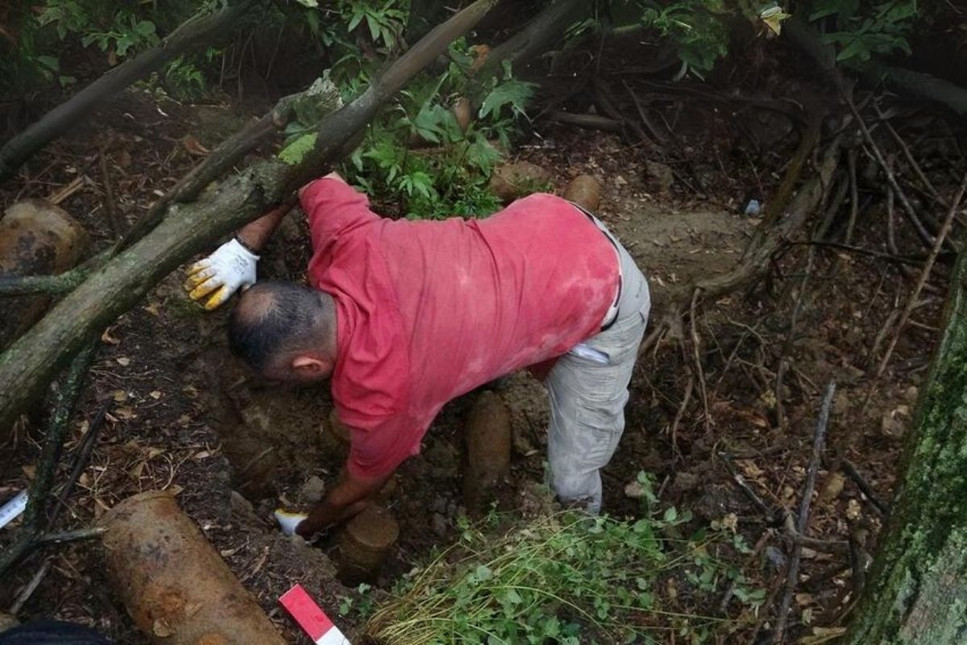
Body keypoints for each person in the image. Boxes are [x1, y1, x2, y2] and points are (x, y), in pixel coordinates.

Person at [184, 172, 650, 538]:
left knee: (571, 480)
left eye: (288, 381)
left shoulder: (383, 393)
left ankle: (584, 536)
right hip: (551, 221)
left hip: (605, 291)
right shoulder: (351, 240)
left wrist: (308, 525)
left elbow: (360, 490)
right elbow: (309, 163)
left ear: (308, 366)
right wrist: (246, 245)